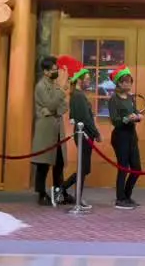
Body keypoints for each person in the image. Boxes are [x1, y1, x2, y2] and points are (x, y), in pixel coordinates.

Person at [59, 57, 99, 209]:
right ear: (80, 80)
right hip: (84, 134)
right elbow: (85, 119)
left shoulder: (77, 95)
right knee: (83, 168)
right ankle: (68, 192)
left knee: (84, 168)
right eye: (87, 79)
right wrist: (96, 133)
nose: (89, 81)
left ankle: (65, 189)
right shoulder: (79, 96)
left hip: (84, 134)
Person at [31, 55, 69, 206]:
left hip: (57, 128)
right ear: (46, 71)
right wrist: (60, 92)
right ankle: (41, 194)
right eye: (54, 69)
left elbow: (62, 107)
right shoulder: (41, 86)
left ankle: (58, 192)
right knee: (43, 163)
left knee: (59, 162)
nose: (57, 72)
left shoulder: (53, 85)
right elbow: (50, 103)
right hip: (45, 129)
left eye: (57, 69)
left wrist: (54, 106)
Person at [107, 66, 143, 210]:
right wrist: (127, 119)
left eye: (130, 81)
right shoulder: (113, 100)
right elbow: (115, 120)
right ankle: (120, 198)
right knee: (123, 168)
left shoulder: (130, 98)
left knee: (137, 168)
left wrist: (138, 117)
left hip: (132, 136)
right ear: (119, 83)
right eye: (125, 82)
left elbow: (136, 112)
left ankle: (127, 195)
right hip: (120, 136)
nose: (128, 84)